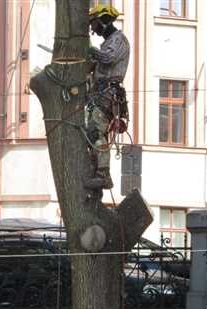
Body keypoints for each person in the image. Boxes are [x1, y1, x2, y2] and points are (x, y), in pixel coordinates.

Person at [84, 4, 130, 190]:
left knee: (96, 132)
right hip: (100, 93)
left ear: (103, 20)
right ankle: (96, 169)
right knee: (91, 132)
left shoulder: (119, 40)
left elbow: (108, 58)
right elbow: (98, 63)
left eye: (94, 24)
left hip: (109, 94)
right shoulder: (107, 42)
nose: (93, 30)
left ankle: (103, 175)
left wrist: (90, 51)